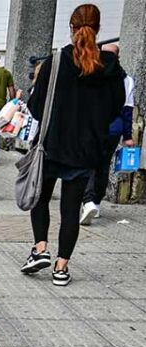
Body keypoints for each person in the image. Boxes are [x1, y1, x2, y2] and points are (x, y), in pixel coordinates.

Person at [21, 4, 125, 287]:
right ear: (98, 28)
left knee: (40, 199)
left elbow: (35, 106)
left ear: (71, 27)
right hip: (85, 150)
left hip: (53, 145)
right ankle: (61, 268)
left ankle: (40, 249)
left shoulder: (56, 62)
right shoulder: (111, 67)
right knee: (70, 211)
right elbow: (116, 107)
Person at [80, 43, 135, 225]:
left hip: (94, 127)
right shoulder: (127, 79)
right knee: (104, 165)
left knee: (88, 163)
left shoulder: (93, 74)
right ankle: (96, 202)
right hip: (115, 129)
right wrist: (127, 137)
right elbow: (128, 111)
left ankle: (87, 201)